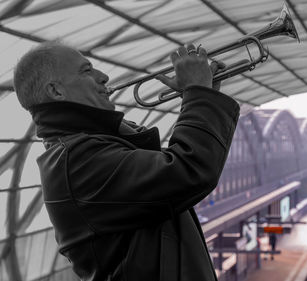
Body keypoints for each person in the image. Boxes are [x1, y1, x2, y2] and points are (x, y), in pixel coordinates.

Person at [13, 41, 240, 281]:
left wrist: (201, 93)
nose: (104, 76)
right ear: (57, 91)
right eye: (87, 71)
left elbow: (165, 178)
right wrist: (199, 95)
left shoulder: (90, 146)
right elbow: (189, 169)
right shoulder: (76, 162)